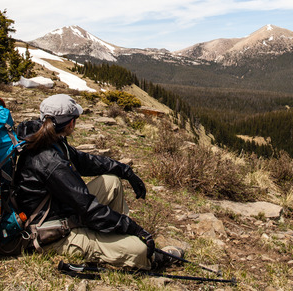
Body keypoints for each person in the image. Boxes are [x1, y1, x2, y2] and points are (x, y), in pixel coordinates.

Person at [14, 94, 180, 270]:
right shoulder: (51, 161)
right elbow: (89, 208)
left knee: (111, 183)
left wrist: (125, 171)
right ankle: (148, 257)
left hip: (59, 211)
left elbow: (86, 161)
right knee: (139, 250)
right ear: (70, 123)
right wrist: (133, 228)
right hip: (50, 234)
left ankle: (113, 238)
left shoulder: (47, 140)